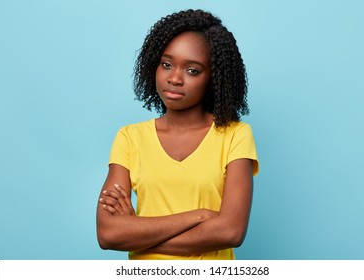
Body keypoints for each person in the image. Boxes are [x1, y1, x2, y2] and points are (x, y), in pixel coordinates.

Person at [96, 9, 259, 260]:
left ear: (213, 78)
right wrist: (200, 216)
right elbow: (108, 234)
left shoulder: (236, 136)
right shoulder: (130, 137)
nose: (174, 78)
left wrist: (137, 233)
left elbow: (231, 231)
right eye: (167, 64)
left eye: (192, 70)